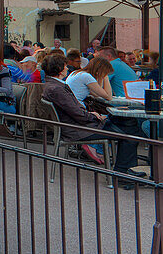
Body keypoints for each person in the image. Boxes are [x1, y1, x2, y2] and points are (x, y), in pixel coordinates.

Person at [40, 53, 140, 186]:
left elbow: (74, 108)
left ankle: (126, 170)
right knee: (130, 135)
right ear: (59, 69)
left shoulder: (53, 85)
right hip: (80, 129)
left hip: (76, 126)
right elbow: (77, 113)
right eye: (64, 66)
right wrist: (94, 115)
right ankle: (122, 174)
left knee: (129, 124)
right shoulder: (57, 89)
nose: (67, 68)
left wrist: (91, 113)